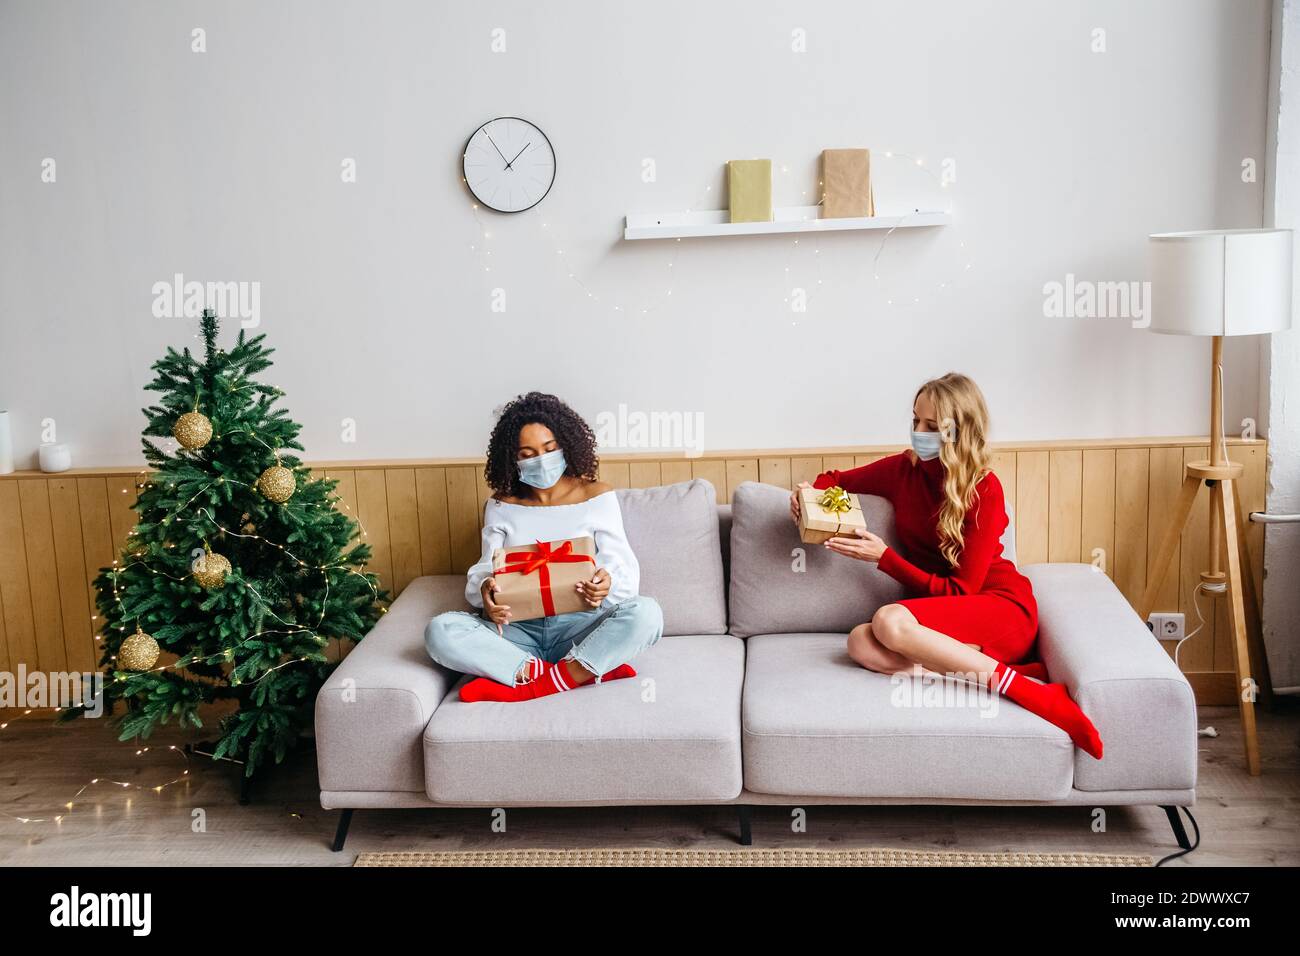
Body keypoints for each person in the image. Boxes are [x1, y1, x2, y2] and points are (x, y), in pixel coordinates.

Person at [791, 372, 1103, 759]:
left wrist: (884, 558)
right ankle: (1002, 672)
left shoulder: (984, 489)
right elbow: (833, 480)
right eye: (915, 421)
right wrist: (806, 496)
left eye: (932, 426)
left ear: (959, 432)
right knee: (861, 643)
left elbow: (962, 591)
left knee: (888, 621)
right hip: (948, 622)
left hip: (998, 606)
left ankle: (1029, 692)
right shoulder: (903, 470)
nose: (918, 432)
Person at [425, 391, 663, 703]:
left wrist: (606, 584)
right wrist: (486, 588)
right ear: (512, 459)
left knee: (648, 614)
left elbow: (624, 574)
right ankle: (576, 672)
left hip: (579, 627)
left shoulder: (597, 496)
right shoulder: (501, 505)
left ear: (566, 445)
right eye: (527, 453)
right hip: (516, 631)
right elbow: (486, 568)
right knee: (439, 631)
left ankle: (538, 683)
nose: (540, 460)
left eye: (549, 449)